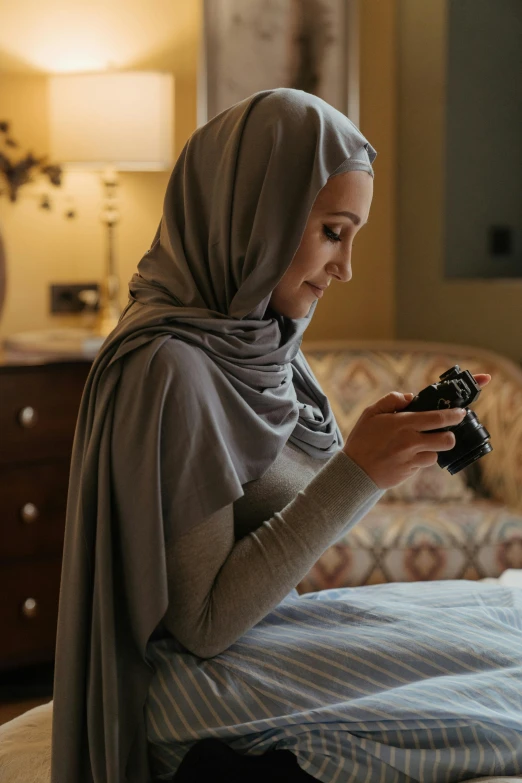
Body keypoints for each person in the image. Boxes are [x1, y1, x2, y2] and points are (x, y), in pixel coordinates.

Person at [51, 88, 522, 783]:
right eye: (333, 232)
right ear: (256, 217)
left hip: (257, 639)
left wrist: (387, 451)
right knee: (494, 688)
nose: (346, 267)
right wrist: (359, 473)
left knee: (496, 622)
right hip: (193, 683)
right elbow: (203, 622)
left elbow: (303, 510)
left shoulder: (260, 338)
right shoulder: (170, 367)